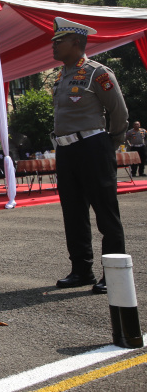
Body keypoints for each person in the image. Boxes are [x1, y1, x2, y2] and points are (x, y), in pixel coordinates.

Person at [51, 17, 129, 295]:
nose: (54, 45)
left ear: (76, 42)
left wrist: (111, 143)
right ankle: (82, 270)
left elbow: (118, 112)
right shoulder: (61, 76)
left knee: (105, 213)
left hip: (93, 147)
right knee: (73, 213)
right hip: (66, 150)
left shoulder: (99, 73)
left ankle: (114, 273)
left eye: (58, 41)